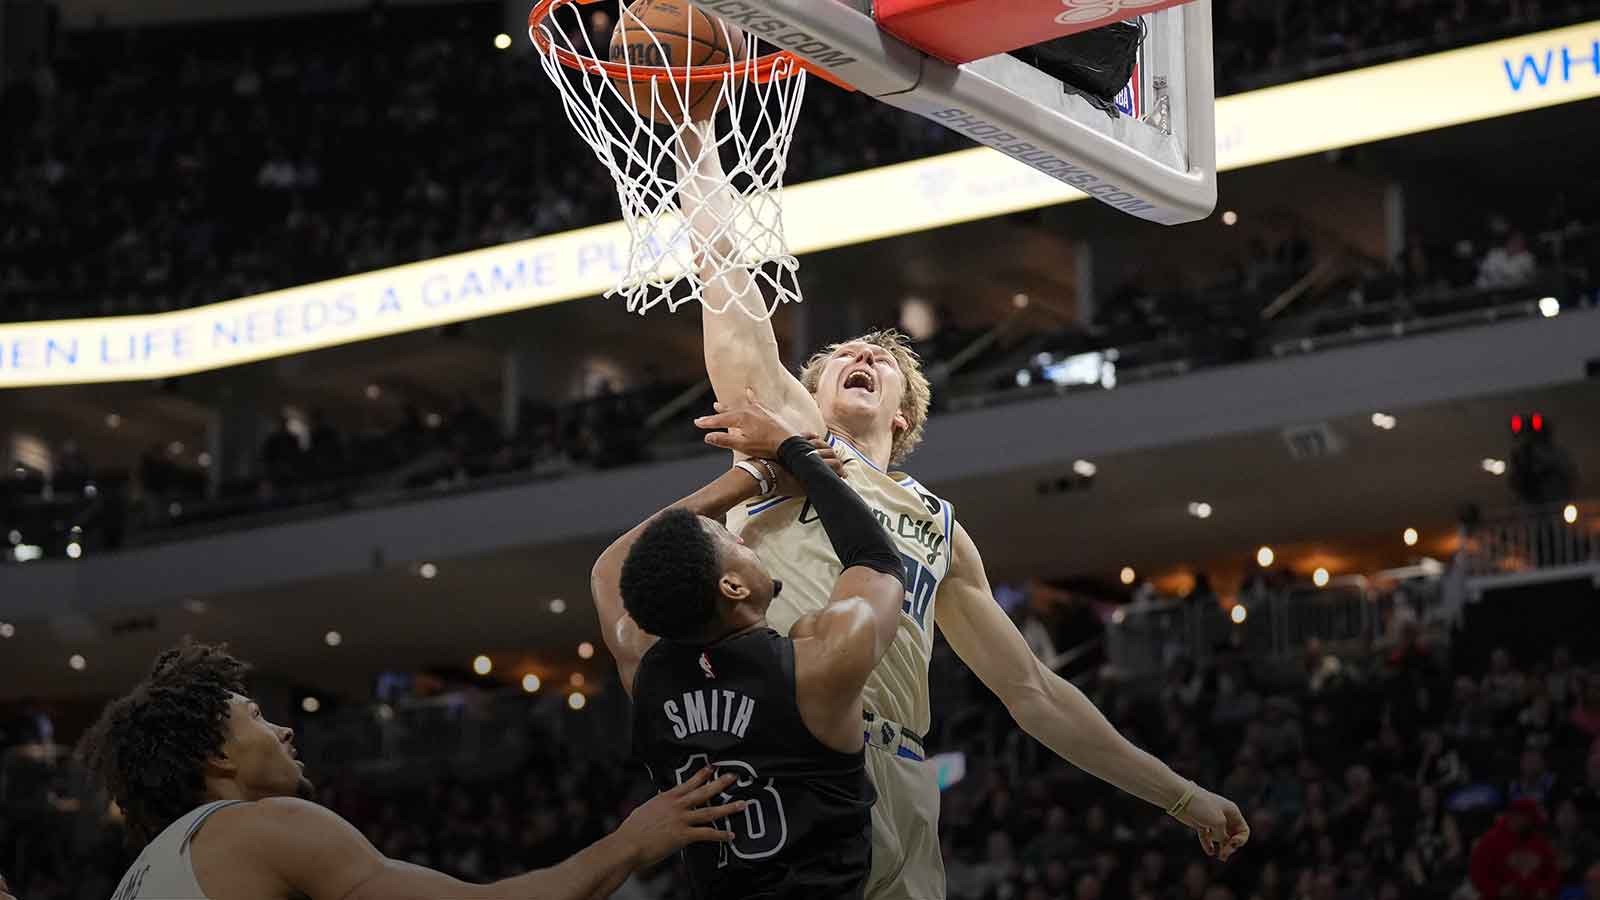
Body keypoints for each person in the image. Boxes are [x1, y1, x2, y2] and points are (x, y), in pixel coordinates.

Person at [675, 125, 1249, 899]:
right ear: (804, 396)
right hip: (789, 743)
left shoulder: (941, 529)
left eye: (880, 359)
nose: (865, 357)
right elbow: (729, 290)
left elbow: (1035, 695)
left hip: (903, 778)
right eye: (842, 354)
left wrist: (1180, 794)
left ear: (903, 419)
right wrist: (695, 139)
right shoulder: (789, 449)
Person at [81, 643, 745, 900]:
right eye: (256, 716)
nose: (284, 729)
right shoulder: (258, 828)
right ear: (219, 756)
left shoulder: (142, 876)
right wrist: (633, 841)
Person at [591, 397, 907, 900]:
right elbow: (878, 560)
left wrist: (755, 479)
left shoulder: (645, 671)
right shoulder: (817, 660)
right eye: (737, 544)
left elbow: (610, 569)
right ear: (733, 588)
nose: (748, 542)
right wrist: (792, 452)